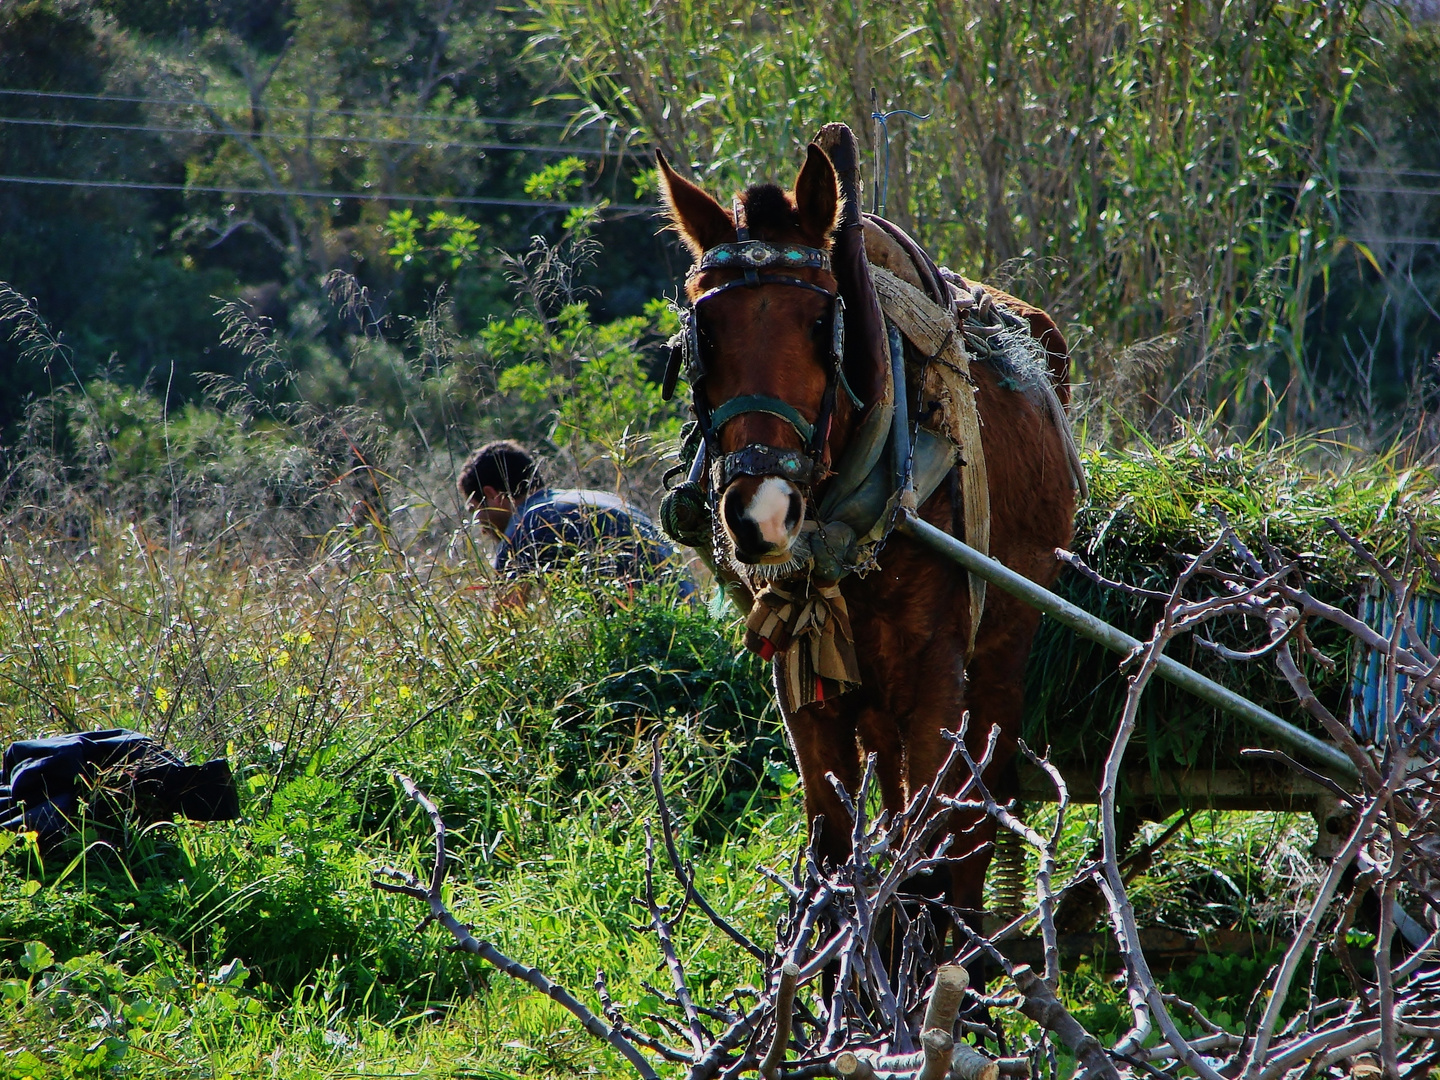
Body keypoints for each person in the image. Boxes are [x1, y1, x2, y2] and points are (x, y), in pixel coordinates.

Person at [458, 440, 695, 599]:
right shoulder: (599, 498)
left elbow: (505, 628)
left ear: (492, 495)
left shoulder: (524, 525)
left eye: (474, 509)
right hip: (691, 621)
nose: (479, 526)